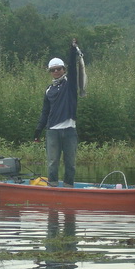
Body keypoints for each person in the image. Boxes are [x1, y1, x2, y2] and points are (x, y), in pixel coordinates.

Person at [33, 39, 80, 187]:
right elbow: (45, 112)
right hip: (52, 130)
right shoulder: (49, 90)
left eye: (58, 69)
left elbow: (73, 67)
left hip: (69, 130)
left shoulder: (70, 84)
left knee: (70, 163)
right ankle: (52, 187)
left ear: (63, 69)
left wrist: (72, 51)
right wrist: (38, 131)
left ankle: (68, 188)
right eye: (52, 70)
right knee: (52, 162)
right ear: (50, 72)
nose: (56, 72)